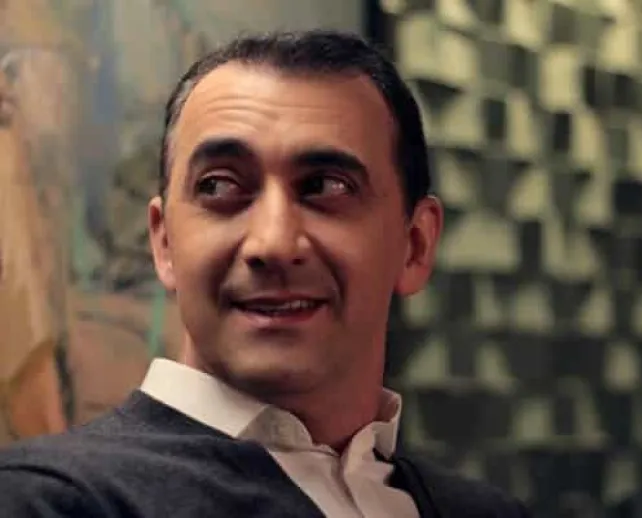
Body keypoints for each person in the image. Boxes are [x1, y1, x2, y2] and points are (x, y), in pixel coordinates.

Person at [0, 30, 530, 517]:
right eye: (220, 186)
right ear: (163, 243)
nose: (273, 243)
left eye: (326, 187)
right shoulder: (46, 501)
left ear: (414, 246)